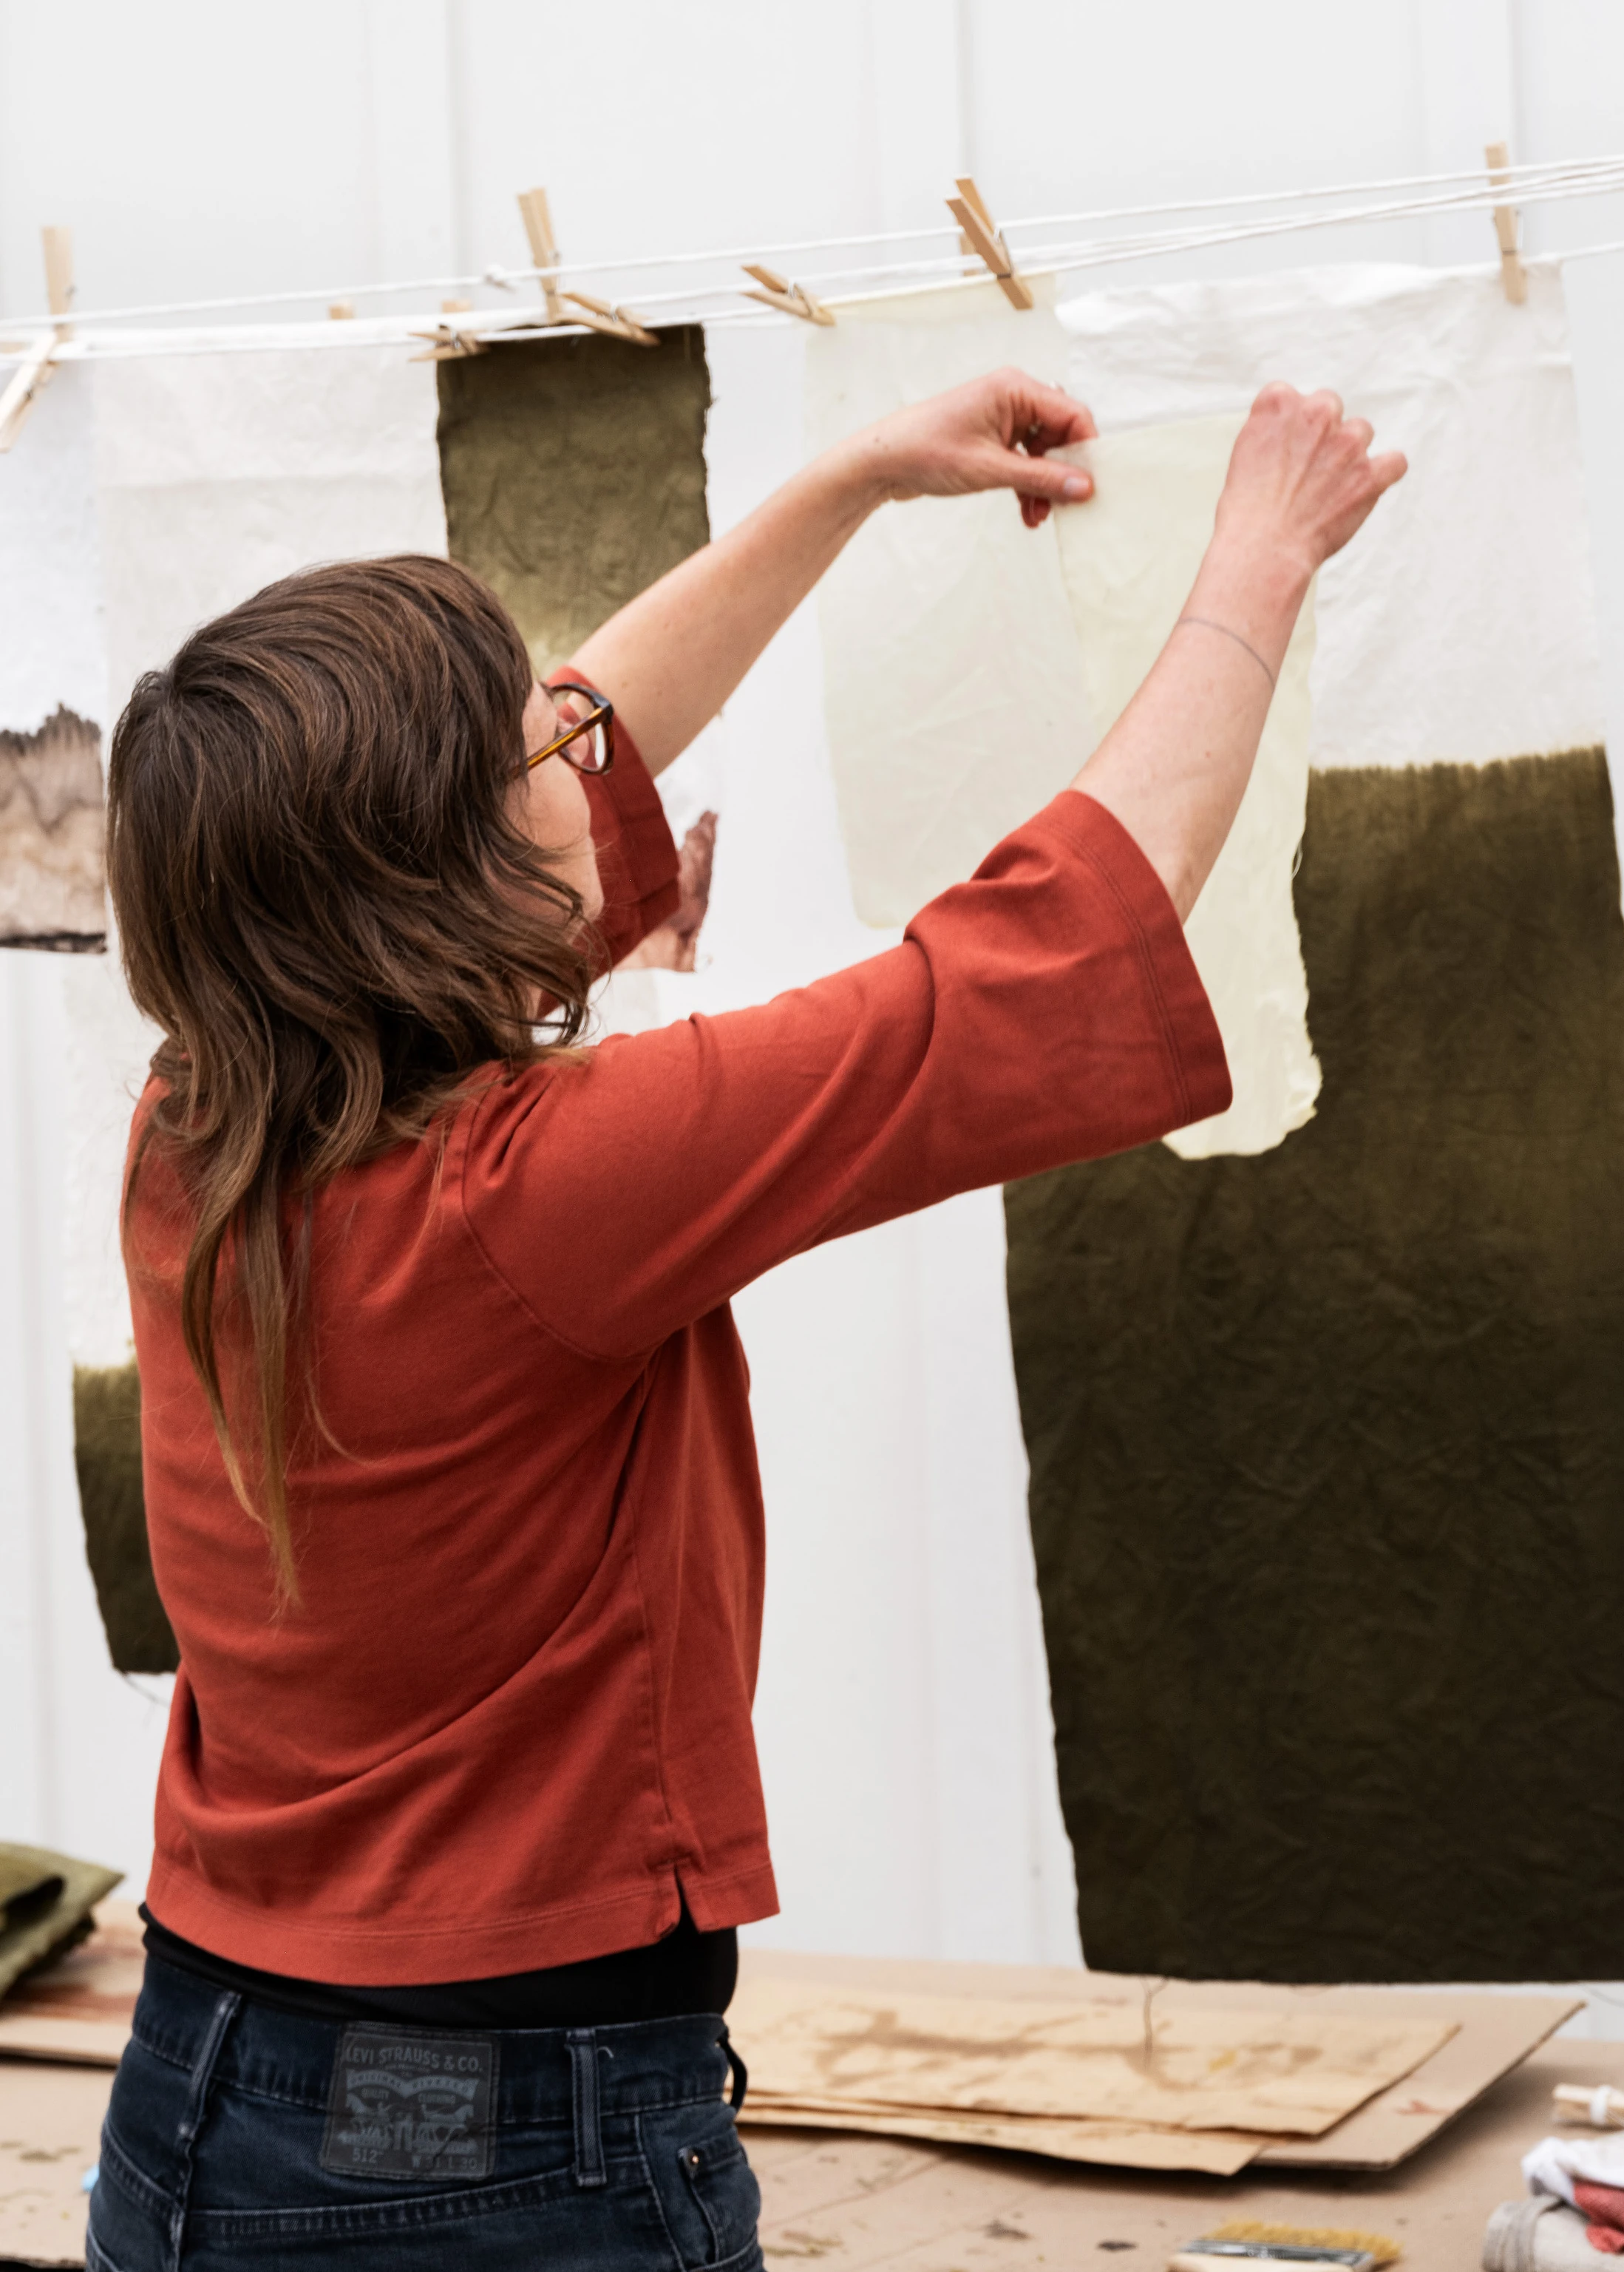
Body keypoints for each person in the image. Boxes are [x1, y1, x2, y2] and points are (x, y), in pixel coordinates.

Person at [88, 366, 1402, 2271]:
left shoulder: (197, 1117)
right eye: (537, 754)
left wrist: (855, 477)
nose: (587, 737)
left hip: (207, 2077)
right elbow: (1039, 958)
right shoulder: (544, 1187)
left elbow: (584, 747)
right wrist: (1254, 567)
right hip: (495, 2134)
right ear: (447, 892)